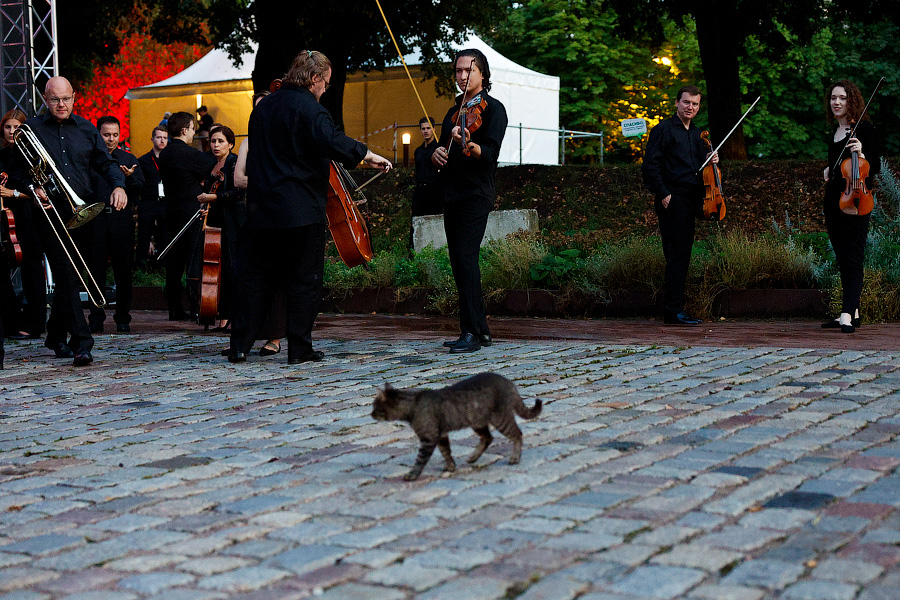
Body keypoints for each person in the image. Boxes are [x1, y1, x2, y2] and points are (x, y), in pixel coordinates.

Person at [228, 49, 391, 364]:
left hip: (262, 209)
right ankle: (299, 349)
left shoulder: (263, 108)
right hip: (299, 209)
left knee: (255, 278)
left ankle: (239, 346)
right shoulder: (310, 109)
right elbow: (333, 140)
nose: (325, 89)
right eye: (326, 83)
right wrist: (368, 155)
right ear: (314, 78)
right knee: (304, 280)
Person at [17, 76, 127, 366]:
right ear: (45, 99)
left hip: (84, 209)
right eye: (55, 99)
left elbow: (105, 163)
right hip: (50, 213)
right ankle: (82, 342)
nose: (61, 104)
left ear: (74, 97)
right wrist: (32, 187)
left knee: (75, 276)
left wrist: (118, 186)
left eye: (66, 99)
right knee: (66, 273)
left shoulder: (87, 128)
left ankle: (55, 336)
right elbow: (16, 170)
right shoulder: (31, 130)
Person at [431, 49, 507, 354]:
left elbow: (490, 154)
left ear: (482, 74)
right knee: (459, 261)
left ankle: (471, 332)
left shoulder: (494, 110)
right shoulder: (453, 112)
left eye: (468, 71)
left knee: (465, 258)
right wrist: (437, 154)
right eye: (458, 71)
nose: (462, 76)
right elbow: (441, 150)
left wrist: (469, 144)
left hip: (476, 193)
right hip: (453, 193)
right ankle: (481, 331)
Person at [641, 84, 718, 326]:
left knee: (683, 255)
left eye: (695, 104)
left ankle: (676, 309)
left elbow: (698, 169)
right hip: (672, 199)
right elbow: (650, 166)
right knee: (676, 255)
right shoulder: (663, 130)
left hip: (691, 200)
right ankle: (673, 312)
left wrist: (711, 159)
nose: (690, 107)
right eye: (686, 102)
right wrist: (663, 193)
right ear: (676, 103)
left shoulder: (697, 134)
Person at [821, 79, 880, 334]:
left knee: (853, 256)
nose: (837, 102)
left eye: (842, 98)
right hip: (834, 201)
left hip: (857, 199)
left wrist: (862, 153)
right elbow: (838, 164)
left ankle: (846, 313)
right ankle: (852, 310)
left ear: (851, 101)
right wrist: (828, 168)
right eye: (833, 98)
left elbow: (875, 166)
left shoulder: (864, 129)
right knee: (842, 257)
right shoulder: (835, 132)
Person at [84, 115, 144, 333]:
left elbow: (141, 189)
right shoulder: (89, 158)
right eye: (106, 135)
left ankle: (123, 318)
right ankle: (96, 317)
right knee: (95, 269)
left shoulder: (128, 158)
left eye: (115, 135)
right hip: (96, 218)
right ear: (98, 134)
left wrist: (129, 178)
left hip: (120, 218)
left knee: (123, 269)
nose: (111, 139)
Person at [157, 111, 216, 320]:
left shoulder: (165, 154)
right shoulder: (188, 153)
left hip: (171, 211)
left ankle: (175, 308)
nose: (193, 133)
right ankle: (196, 306)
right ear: (184, 130)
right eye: (192, 129)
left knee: (174, 262)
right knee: (193, 260)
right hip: (191, 212)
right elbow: (207, 167)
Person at [1, 109, 44, 340]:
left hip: (28, 216)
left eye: (16, 127)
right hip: (5, 217)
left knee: (31, 268)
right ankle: (12, 321)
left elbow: (41, 192)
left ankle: (36, 323)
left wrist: (13, 193)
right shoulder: (1, 155)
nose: (11, 132)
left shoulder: (32, 156)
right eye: (7, 127)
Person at [196, 124, 244, 330]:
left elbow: (237, 193)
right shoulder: (211, 165)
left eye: (220, 141)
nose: (216, 145)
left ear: (230, 144)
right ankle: (223, 317)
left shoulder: (234, 162)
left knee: (232, 267)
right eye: (213, 141)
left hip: (232, 222)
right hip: (215, 222)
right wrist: (205, 208)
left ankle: (233, 317)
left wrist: (212, 198)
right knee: (219, 271)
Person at [136, 126, 169, 270]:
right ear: (152, 139)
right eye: (159, 137)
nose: (162, 141)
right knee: (144, 235)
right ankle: (140, 268)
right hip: (148, 202)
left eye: (165, 138)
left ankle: (162, 267)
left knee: (165, 235)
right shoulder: (143, 161)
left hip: (165, 203)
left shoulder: (170, 160)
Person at [412, 116, 441, 217]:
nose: (426, 131)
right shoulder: (418, 151)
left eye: (428, 128)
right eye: (423, 128)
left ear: (434, 129)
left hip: (435, 192)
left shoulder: (439, 149)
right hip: (420, 192)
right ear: (420, 131)